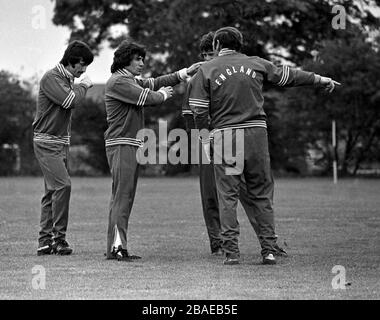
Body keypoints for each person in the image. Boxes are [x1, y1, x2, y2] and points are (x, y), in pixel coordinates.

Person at [188, 26, 340, 265]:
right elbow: (290, 76)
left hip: (226, 136)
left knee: (227, 195)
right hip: (257, 134)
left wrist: (205, 139)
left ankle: (231, 253)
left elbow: (198, 109)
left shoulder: (205, 70)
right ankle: (268, 250)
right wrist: (320, 79)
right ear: (240, 44)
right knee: (262, 194)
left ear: (217, 45)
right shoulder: (257, 63)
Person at [182, 31, 287, 257]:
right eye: (206, 54)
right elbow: (190, 115)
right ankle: (219, 242)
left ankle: (264, 242)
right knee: (213, 196)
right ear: (201, 55)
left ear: (219, 48)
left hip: (226, 138)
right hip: (210, 143)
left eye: (213, 52)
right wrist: (202, 142)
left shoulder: (218, 72)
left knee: (242, 194)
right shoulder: (199, 77)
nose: (211, 57)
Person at [104, 40, 202, 261]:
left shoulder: (129, 79)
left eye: (142, 59)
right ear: (125, 59)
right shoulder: (119, 81)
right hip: (122, 143)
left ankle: (115, 246)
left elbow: (154, 82)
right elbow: (148, 96)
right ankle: (118, 248)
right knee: (123, 196)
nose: (141, 63)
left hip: (128, 143)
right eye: (138, 59)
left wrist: (184, 73)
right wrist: (164, 95)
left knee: (123, 196)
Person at [33, 41, 94, 256]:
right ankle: (59, 240)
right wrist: (84, 85)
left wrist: (78, 85)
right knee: (63, 186)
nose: (84, 70)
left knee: (52, 191)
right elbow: (70, 101)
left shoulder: (66, 79)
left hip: (60, 142)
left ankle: (44, 242)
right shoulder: (52, 78)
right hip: (47, 142)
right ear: (71, 61)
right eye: (82, 64)